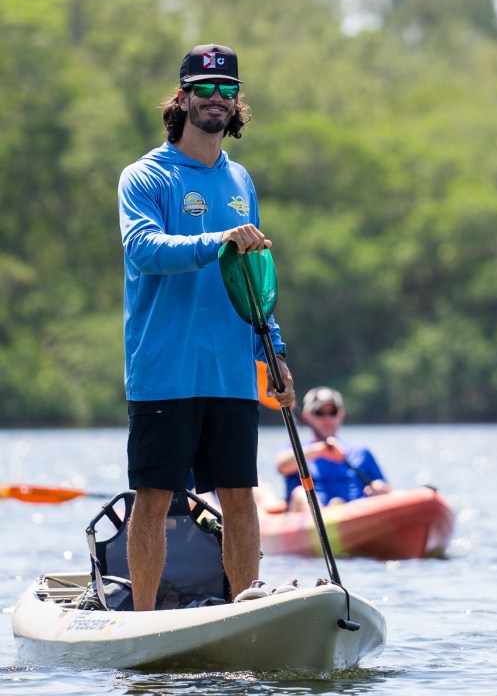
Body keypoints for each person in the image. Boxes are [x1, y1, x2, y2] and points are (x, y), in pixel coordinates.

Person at [118, 43, 295, 610]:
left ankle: (244, 612)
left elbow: (254, 281)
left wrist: (274, 354)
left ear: (236, 102)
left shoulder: (241, 181)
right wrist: (216, 240)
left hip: (231, 371)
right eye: (204, 90)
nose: (216, 100)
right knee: (154, 497)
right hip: (164, 369)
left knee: (240, 496)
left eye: (227, 91)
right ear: (182, 98)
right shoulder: (146, 177)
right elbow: (144, 249)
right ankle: (143, 622)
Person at [275, 387, 390, 511]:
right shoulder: (296, 450)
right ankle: (325, 520)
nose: (327, 419)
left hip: (354, 513)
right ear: (307, 417)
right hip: (311, 516)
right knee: (300, 493)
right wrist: (320, 449)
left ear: (341, 415)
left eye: (332, 412)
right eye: (319, 413)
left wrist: (381, 489)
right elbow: (282, 466)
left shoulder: (361, 453)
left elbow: (389, 491)